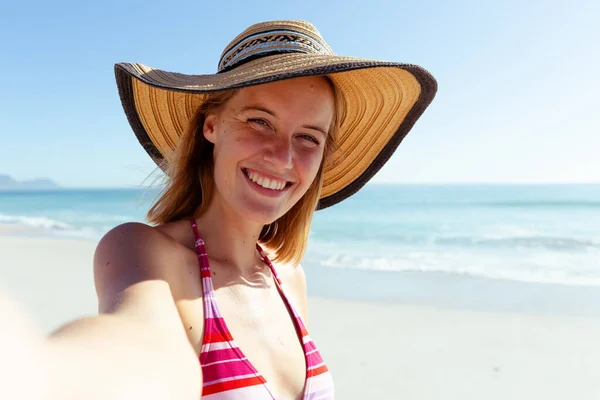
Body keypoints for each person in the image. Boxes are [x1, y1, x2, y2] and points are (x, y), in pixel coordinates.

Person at [2, 20, 436, 400]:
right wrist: (41, 375)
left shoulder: (290, 275)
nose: (283, 157)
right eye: (259, 121)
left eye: (308, 137)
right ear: (211, 125)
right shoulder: (146, 254)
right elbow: (138, 347)